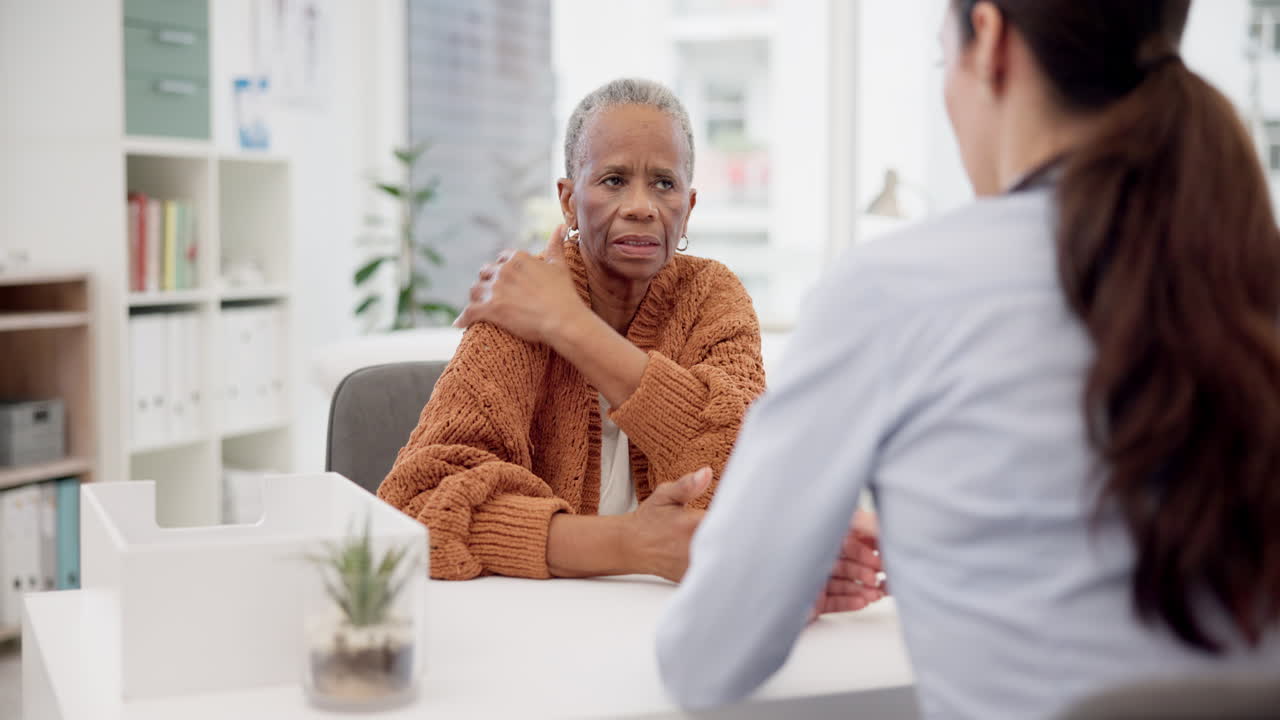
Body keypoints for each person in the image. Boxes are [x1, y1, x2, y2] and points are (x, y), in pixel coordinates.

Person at [656, 1, 1280, 718]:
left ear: (989, 39)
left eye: (938, 56)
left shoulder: (893, 292)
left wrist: (781, 565)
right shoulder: (1247, 274)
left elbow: (700, 660)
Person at [376, 78, 770, 582]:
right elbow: (412, 506)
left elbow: (754, 468)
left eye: (664, 184)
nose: (641, 206)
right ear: (568, 199)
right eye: (613, 180)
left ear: (688, 206)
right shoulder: (523, 300)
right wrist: (628, 545)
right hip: (538, 626)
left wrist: (570, 325)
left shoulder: (713, 297)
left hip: (674, 620)